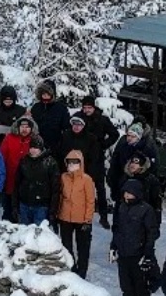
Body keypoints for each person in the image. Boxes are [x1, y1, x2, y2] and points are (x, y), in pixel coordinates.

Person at [111, 178, 161, 296]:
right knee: (127, 289)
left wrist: (147, 254)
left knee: (142, 291)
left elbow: (152, 233)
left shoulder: (146, 210)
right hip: (123, 255)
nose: (127, 195)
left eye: (130, 193)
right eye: (125, 192)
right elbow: (117, 229)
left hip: (139, 256)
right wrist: (113, 247)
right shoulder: (121, 207)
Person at [76, 96, 120, 226]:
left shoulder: (102, 119)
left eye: (89, 108)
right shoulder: (78, 118)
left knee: (100, 188)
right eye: (84, 108)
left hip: (96, 158)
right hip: (81, 157)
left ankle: (103, 216)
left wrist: (103, 145)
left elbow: (114, 134)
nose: (87, 110)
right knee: (80, 187)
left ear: (94, 107)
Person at [55, 148, 97, 275]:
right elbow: (60, 196)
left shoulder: (87, 179)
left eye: (75, 162)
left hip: (82, 219)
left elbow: (90, 200)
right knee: (66, 246)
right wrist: (57, 213)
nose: (72, 165)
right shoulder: (63, 177)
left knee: (83, 247)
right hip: (65, 217)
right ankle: (71, 268)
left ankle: (82, 271)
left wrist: (88, 219)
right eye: (69, 162)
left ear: (81, 163)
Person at [14, 135, 59, 226]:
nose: (33, 150)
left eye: (36, 147)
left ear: (41, 148)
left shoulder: (50, 163)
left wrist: (52, 211)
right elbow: (17, 184)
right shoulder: (24, 161)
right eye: (32, 147)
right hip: (24, 204)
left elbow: (55, 188)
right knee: (24, 234)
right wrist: (15, 205)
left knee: (38, 236)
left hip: (41, 206)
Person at [0, 117, 36, 221]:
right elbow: (1, 157)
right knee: (9, 210)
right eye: (22, 127)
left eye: (27, 127)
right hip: (10, 179)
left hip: (28, 182)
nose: (24, 129)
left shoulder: (35, 139)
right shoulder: (9, 138)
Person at [29, 82, 71, 159]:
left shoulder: (61, 108)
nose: (45, 96)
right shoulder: (36, 107)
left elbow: (66, 127)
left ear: (52, 94)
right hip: (38, 144)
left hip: (56, 145)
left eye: (47, 94)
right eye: (43, 94)